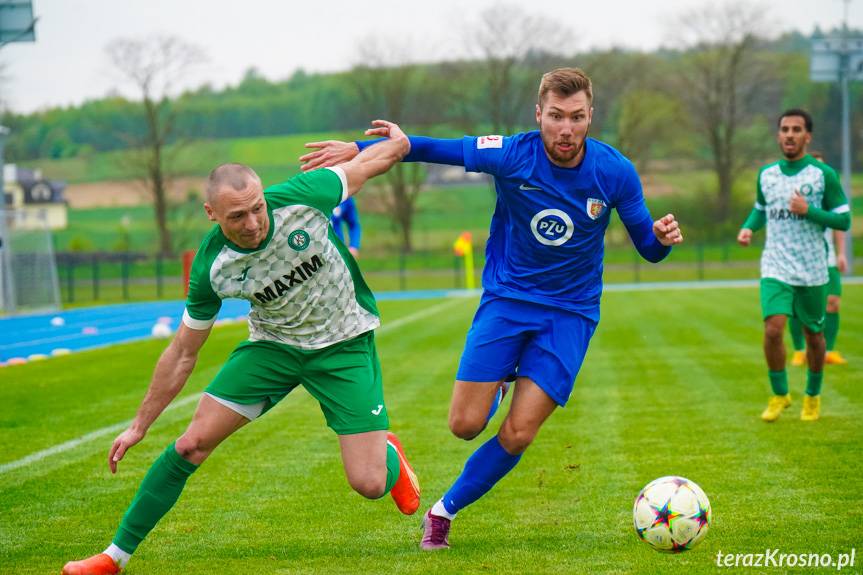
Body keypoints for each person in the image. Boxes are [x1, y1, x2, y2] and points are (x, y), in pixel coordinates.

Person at [300, 68, 682, 550]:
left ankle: (443, 511)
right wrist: (358, 150)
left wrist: (663, 241)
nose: (567, 128)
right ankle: (501, 381)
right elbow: (430, 147)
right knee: (464, 426)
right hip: (508, 301)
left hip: (571, 313)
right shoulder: (512, 153)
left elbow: (648, 246)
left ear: (591, 117)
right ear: (539, 114)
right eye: (557, 117)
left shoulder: (614, 172)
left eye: (578, 117)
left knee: (520, 433)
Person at [62, 121, 420, 575]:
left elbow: (377, 160)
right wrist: (139, 425)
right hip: (273, 348)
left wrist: (393, 142)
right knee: (191, 444)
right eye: (237, 216)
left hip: (342, 342)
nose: (252, 224)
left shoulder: (303, 194)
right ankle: (114, 558)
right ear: (211, 213)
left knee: (369, 483)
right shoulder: (213, 267)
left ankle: (389, 456)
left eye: (256, 208)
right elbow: (183, 352)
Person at [737, 109, 851, 423]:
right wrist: (749, 227)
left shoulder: (822, 175)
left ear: (807, 136)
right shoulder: (767, 175)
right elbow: (760, 209)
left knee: (814, 334)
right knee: (773, 329)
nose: (789, 134)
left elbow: (844, 219)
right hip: (775, 263)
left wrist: (809, 210)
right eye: (785, 129)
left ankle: (812, 397)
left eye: (796, 129)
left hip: (813, 267)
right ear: (779, 135)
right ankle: (779, 394)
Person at [789, 152, 848, 367]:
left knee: (833, 302)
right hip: (801, 260)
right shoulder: (796, 197)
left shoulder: (830, 196)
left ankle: (828, 351)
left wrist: (841, 253)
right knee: (796, 306)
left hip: (828, 258)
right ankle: (798, 350)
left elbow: (839, 225)